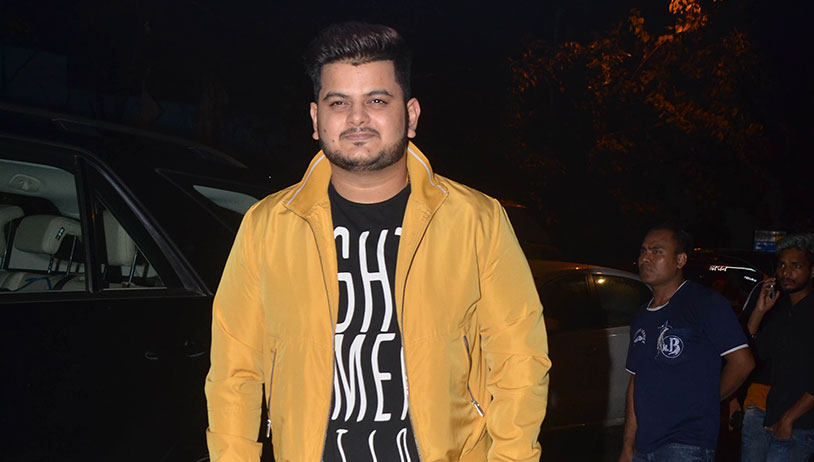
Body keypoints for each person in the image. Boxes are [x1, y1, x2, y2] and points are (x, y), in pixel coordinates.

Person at [204, 22, 551, 462]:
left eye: (377, 100)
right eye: (338, 103)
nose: (357, 118)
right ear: (315, 119)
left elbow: (520, 361)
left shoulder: (475, 220)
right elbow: (234, 373)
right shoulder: (267, 227)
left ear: (411, 115)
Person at [619, 225, 755, 462]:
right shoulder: (642, 315)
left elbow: (742, 363)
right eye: (643, 251)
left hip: (687, 445)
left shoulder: (705, 303)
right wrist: (628, 446)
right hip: (644, 446)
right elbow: (636, 382)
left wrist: (704, 402)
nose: (645, 258)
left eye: (656, 251)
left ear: (680, 260)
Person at [746, 233, 814, 461]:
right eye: (782, 265)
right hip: (770, 417)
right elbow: (752, 355)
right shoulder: (780, 311)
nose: (786, 272)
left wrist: (790, 418)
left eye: (796, 266)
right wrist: (759, 312)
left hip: (800, 425)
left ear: (812, 271)